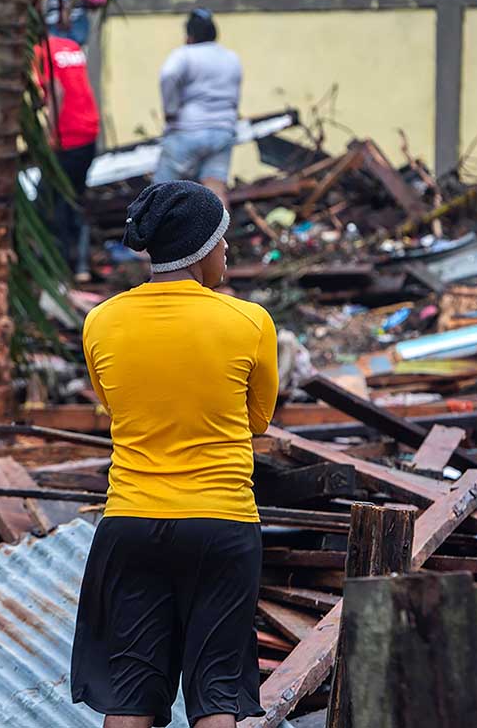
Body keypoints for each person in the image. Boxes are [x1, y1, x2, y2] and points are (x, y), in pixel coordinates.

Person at [71, 181, 279, 728]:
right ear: (202, 247)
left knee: (131, 693)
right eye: (222, 239)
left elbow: (114, 406)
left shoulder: (101, 321)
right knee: (216, 693)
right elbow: (257, 421)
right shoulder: (250, 323)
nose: (227, 250)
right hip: (221, 524)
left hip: (131, 522)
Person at [154, 9, 242, 207]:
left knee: (162, 194)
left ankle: (164, 237)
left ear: (190, 35)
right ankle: (219, 236)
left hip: (187, 132)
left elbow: (168, 75)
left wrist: (170, 109)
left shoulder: (184, 55)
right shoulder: (231, 58)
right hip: (222, 132)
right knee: (216, 192)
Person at [35, 33, 100, 280]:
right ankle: (81, 265)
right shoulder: (71, 45)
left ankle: (59, 266)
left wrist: (49, 136)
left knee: (52, 201)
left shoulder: (41, 52)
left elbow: (56, 93)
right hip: (88, 132)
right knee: (76, 198)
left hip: (67, 138)